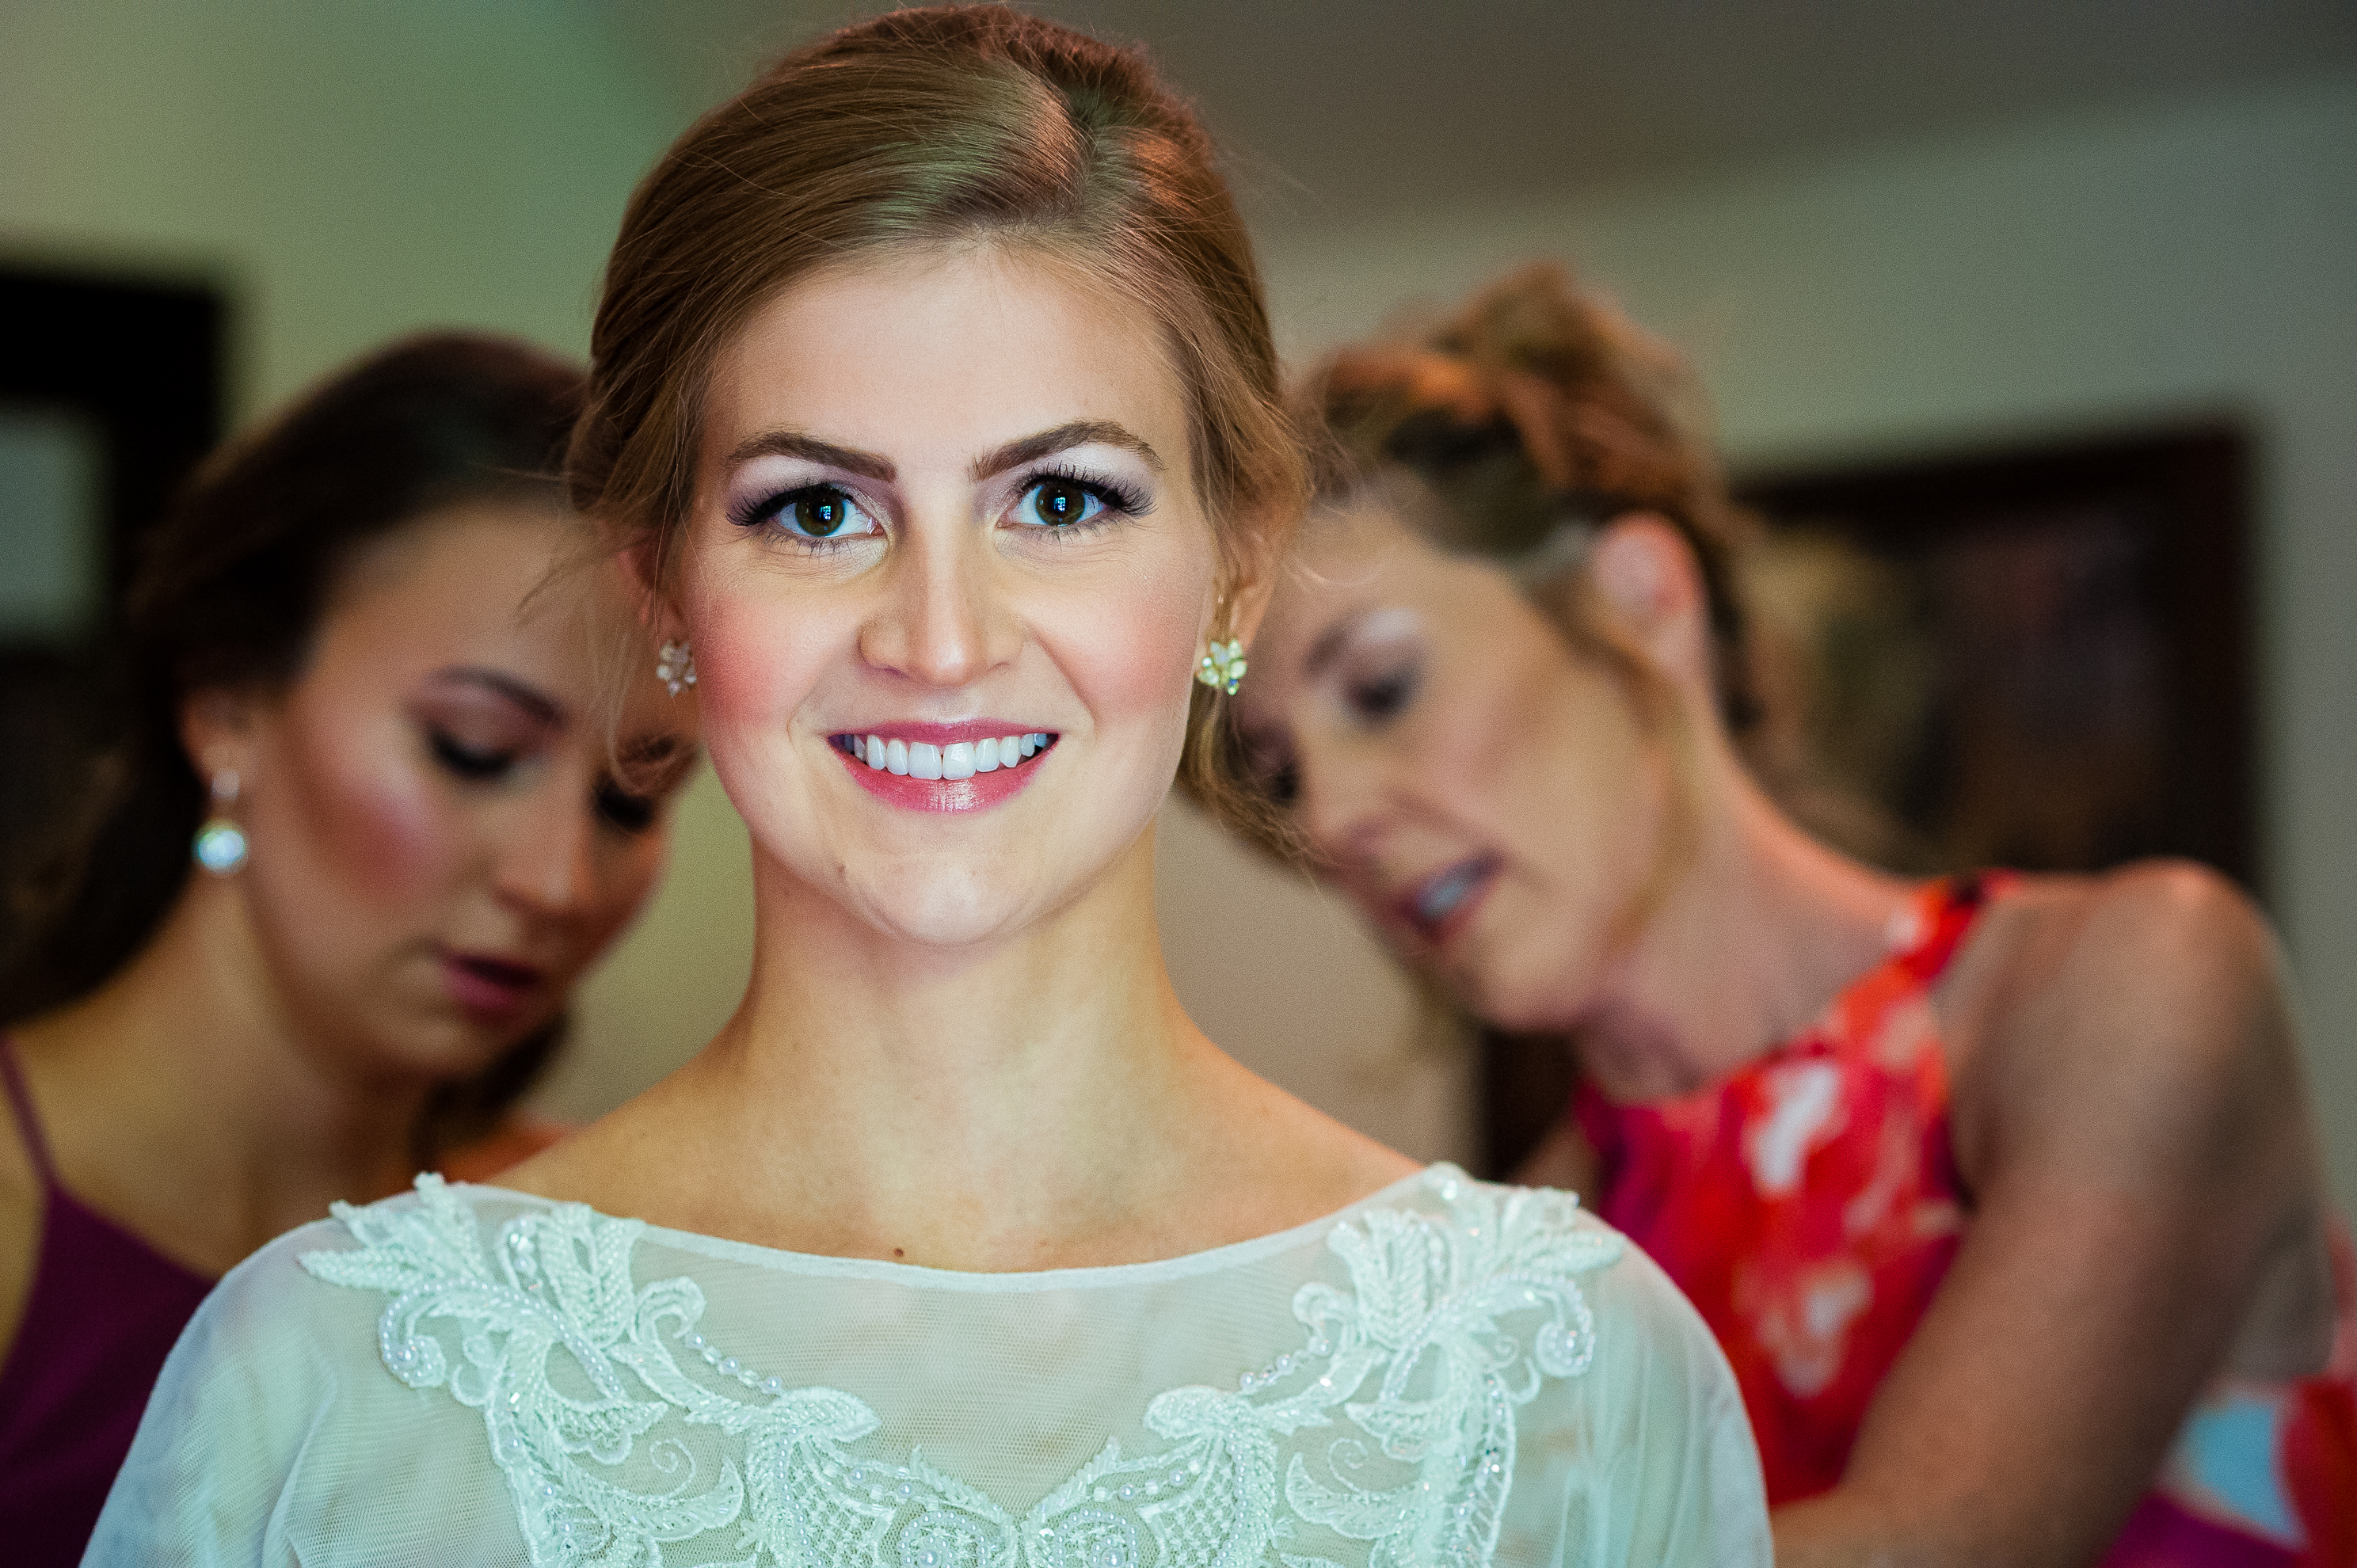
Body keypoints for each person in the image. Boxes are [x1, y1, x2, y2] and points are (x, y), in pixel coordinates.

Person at [87, 13, 1770, 1566]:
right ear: (666, 594)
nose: (942, 640)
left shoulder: (1576, 1368)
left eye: (1062, 502)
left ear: (1239, 575)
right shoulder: (320, 1379)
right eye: (818, 512)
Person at [1217, 262, 2357, 1566]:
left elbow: (1939, 1542)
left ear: (1641, 603)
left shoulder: (2126, 987)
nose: (1329, 818)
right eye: (1280, 773)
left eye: (1378, 686)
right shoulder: (1515, 1263)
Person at [0, 333, 697, 1565]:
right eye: (474, 749)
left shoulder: (579, 1243)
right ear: (228, 707)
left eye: (632, 800)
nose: (556, 881)